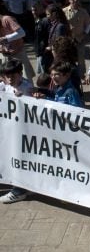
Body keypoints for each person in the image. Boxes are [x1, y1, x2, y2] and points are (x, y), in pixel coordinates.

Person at [0, 59, 33, 204]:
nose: (10, 79)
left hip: (22, 132)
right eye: (7, 76)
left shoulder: (27, 88)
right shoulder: (3, 86)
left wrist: (24, 98)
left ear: (20, 74)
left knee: (19, 158)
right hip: (7, 130)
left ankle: (19, 189)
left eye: (13, 75)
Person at [63, 0, 90, 80]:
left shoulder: (83, 11)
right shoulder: (64, 11)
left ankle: (81, 76)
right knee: (67, 58)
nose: (75, 0)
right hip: (67, 40)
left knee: (81, 59)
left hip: (79, 39)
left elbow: (89, 24)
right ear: (69, 0)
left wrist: (85, 33)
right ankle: (67, 76)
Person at [0, 13, 35, 84]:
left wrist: (6, 38)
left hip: (18, 53)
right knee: (6, 79)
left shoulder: (7, 19)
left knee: (25, 78)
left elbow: (22, 33)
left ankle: (29, 93)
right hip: (5, 55)